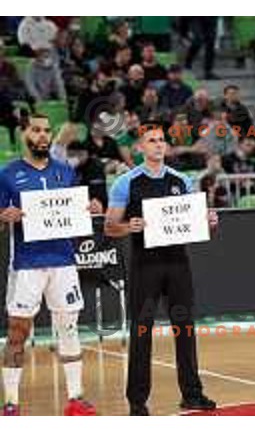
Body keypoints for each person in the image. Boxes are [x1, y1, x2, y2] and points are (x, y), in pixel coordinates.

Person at [104, 125, 218, 415]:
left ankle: (192, 394)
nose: (158, 145)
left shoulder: (182, 180)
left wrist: (209, 222)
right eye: (151, 141)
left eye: (161, 140)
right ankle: (137, 401)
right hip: (145, 264)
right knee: (142, 331)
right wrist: (127, 227)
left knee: (185, 328)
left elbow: (195, 224)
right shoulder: (126, 183)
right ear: (141, 147)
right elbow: (109, 226)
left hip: (178, 262)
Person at [0, 112, 102, 416]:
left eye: (47, 130)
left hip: (63, 262)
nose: (43, 135)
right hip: (27, 264)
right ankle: (11, 402)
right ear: (24, 135)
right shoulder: (7, 174)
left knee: (69, 328)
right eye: (36, 130)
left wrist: (90, 209)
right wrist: (4, 216)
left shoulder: (65, 171)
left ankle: (75, 398)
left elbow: (74, 213)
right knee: (18, 332)